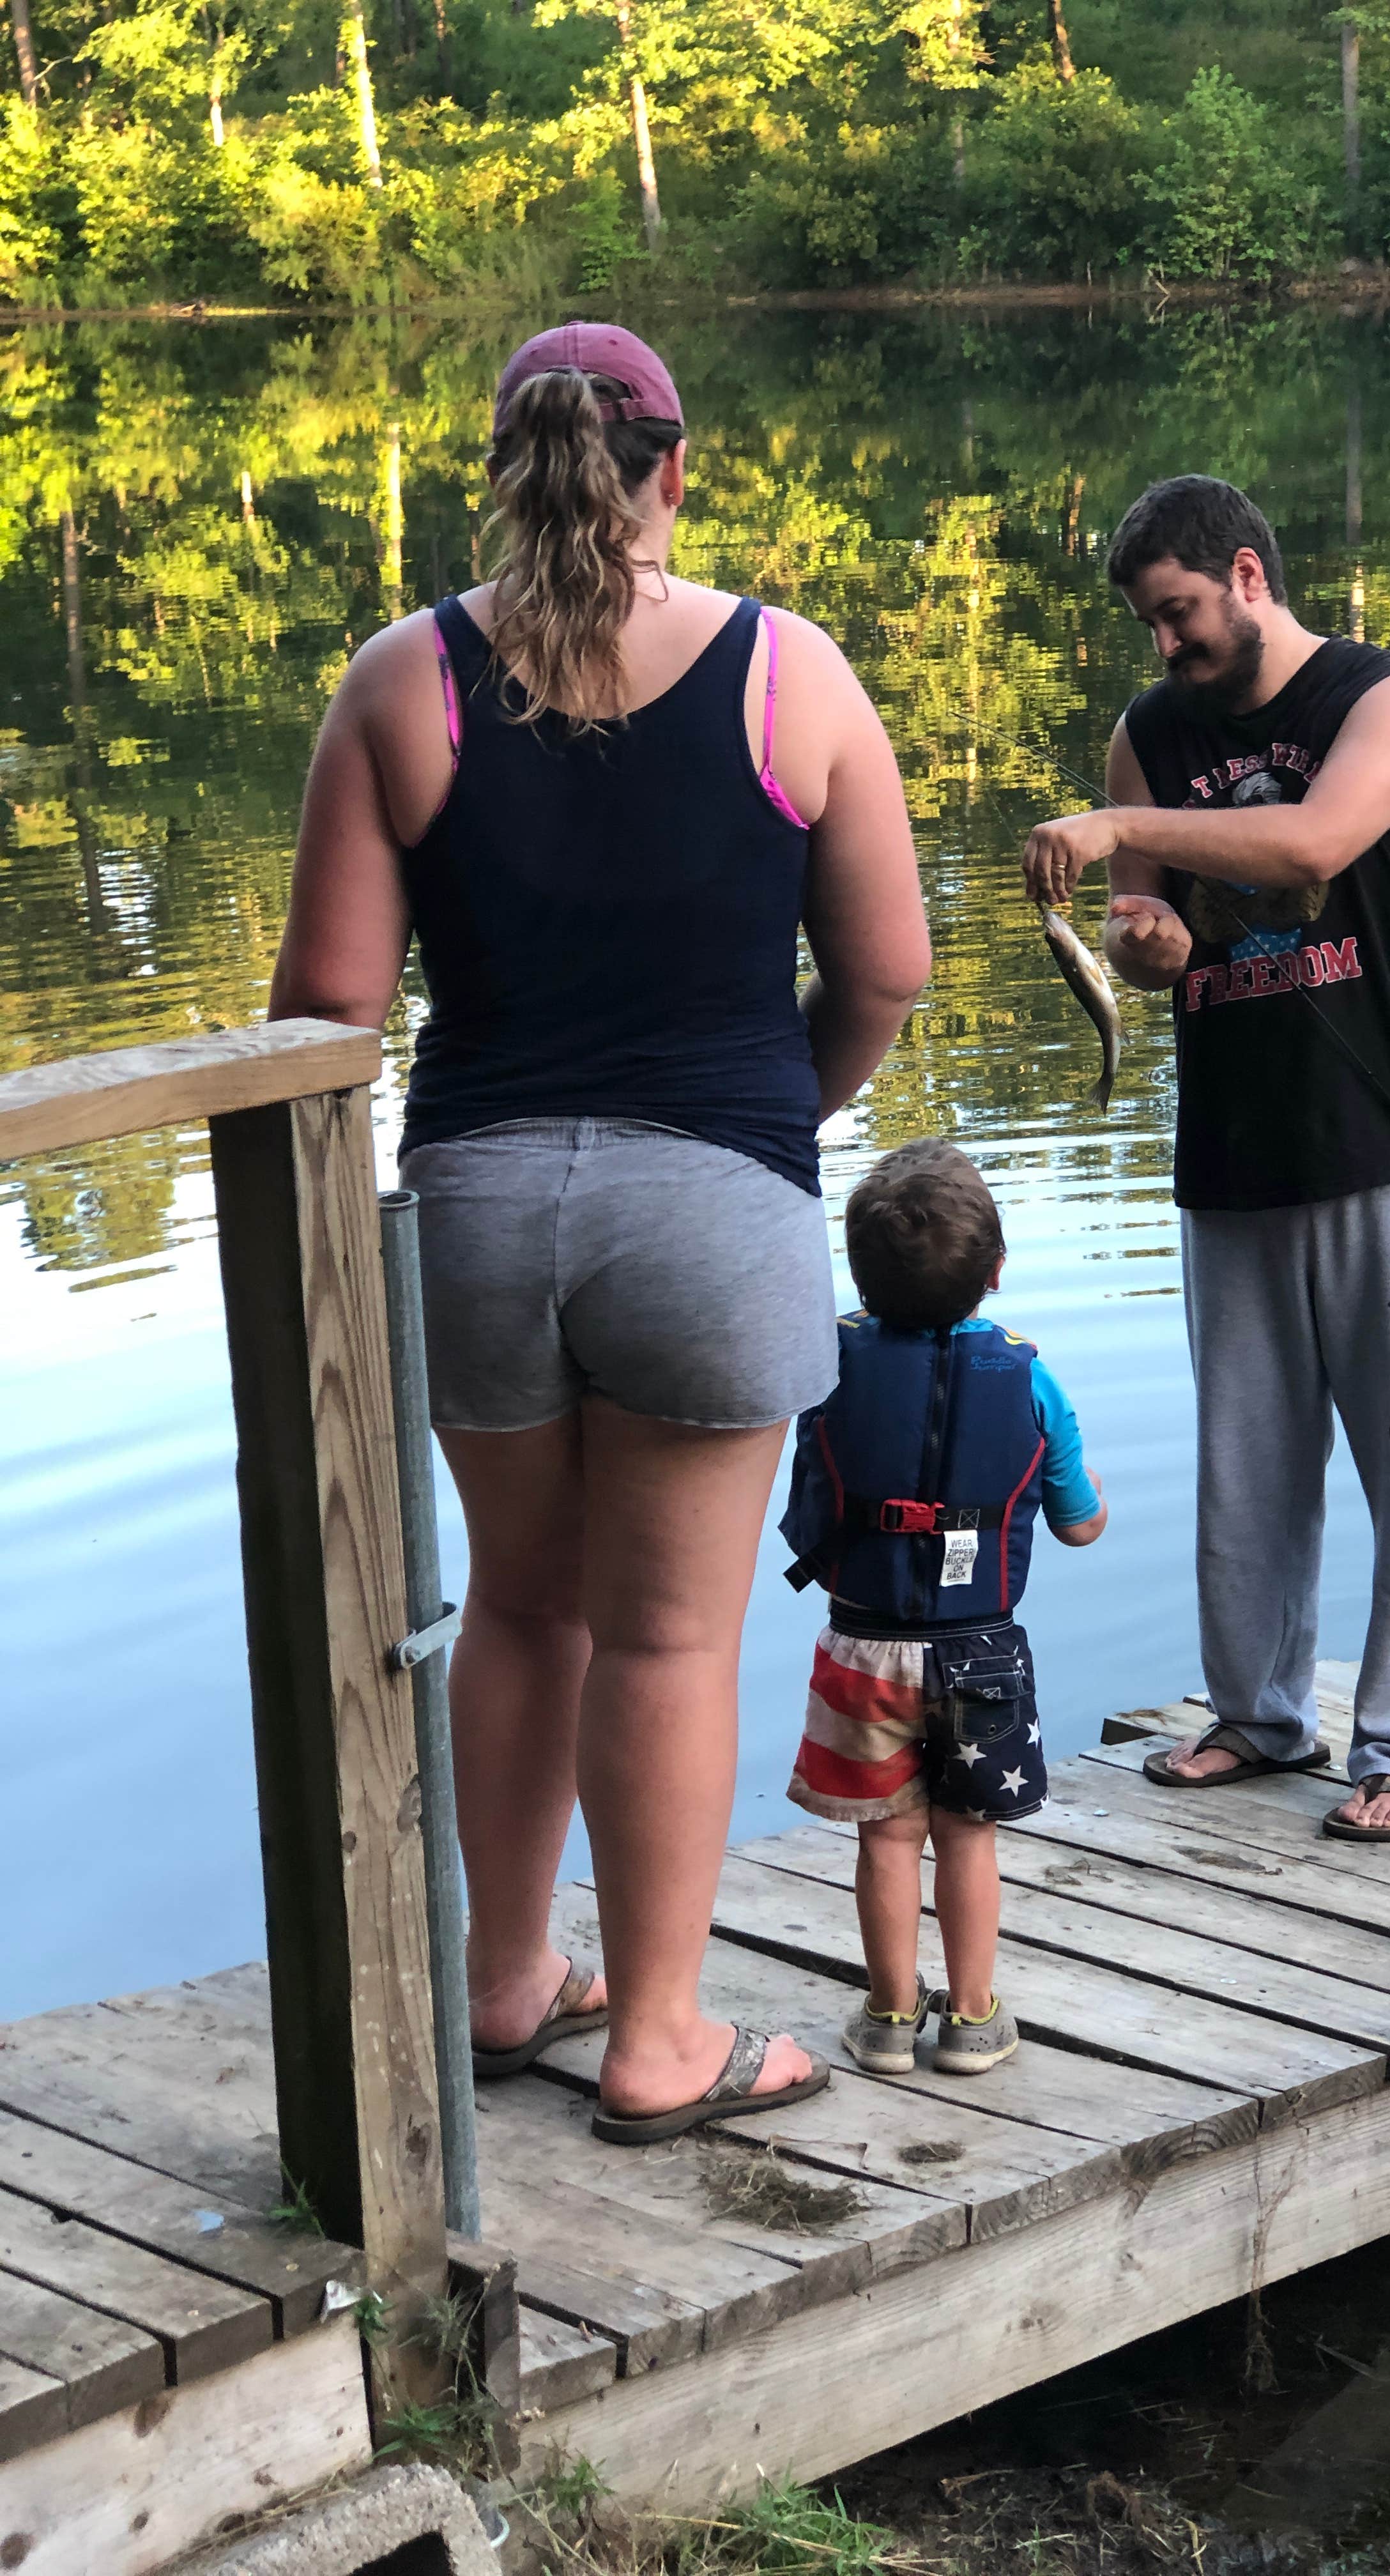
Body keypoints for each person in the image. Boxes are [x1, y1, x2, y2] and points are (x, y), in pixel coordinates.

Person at [268, 321, 931, 2142]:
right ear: (675, 470)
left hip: (477, 1206)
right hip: (709, 1201)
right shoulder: (789, 675)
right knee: (665, 1638)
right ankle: (656, 2038)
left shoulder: (404, 681)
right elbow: (886, 969)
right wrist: (767, 1120)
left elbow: (325, 1006)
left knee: (523, 1606)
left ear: (506, 464)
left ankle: (503, 1986)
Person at [1021, 474, 1390, 1845]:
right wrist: (1143, 941)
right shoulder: (1148, 738)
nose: (1165, 650)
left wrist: (1122, 836)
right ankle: (1261, 1715)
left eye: (1177, 616)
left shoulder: (1387, 701)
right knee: (1247, 1460)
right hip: (1235, 1154)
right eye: (1148, 630)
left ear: (1244, 574)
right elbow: (1148, 937)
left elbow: (1314, 844)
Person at [778, 1140, 1107, 2073]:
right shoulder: (1034, 1383)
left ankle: (887, 2018)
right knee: (968, 1838)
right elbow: (1081, 1528)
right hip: (984, 1657)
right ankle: (972, 2020)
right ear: (996, 1272)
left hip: (860, 1652)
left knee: (888, 1842)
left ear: (862, 1275)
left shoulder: (824, 1365)